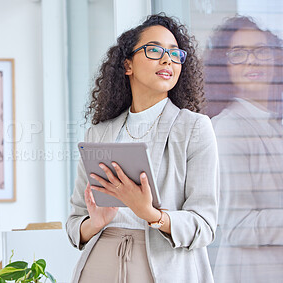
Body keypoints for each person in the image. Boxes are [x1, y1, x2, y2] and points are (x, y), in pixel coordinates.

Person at [66, 13, 219, 283]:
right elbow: (75, 222)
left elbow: (204, 225)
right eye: (154, 50)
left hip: (164, 266)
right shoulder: (99, 133)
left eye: (174, 53)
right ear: (128, 65)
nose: (167, 60)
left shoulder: (195, 128)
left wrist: (150, 214)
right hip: (100, 262)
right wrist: (96, 222)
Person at [204, 16, 283, 283]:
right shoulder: (229, 128)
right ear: (223, 66)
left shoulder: (273, 122)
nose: (252, 60)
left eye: (261, 50)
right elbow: (237, 226)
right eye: (238, 53)